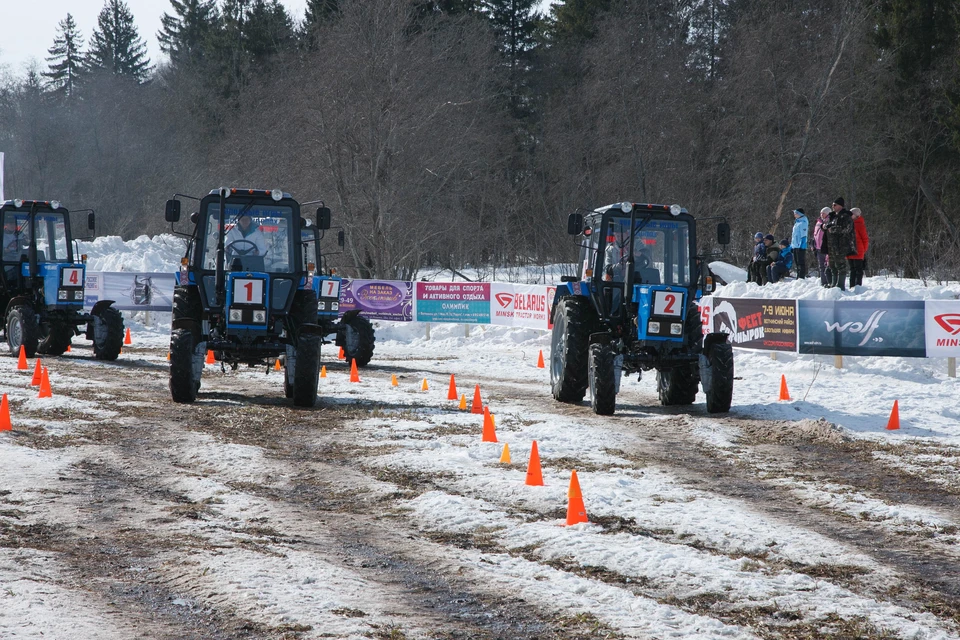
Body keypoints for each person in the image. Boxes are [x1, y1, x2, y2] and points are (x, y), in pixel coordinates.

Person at [824, 197, 855, 290]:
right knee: (832, 265)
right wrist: (825, 226)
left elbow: (847, 229)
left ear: (840, 206)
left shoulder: (845, 216)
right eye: (832, 205)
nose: (833, 206)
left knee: (841, 265)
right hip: (832, 245)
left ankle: (840, 285)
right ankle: (834, 284)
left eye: (835, 205)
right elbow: (828, 226)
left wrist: (833, 229)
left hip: (841, 245)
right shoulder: (833, 216)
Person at [847, 207, 869, 287]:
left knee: (858, 270)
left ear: (856, 215)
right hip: (850, 251)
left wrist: (863, 250)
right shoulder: (848, 224)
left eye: (851, 214)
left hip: (858, 251)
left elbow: (865, 239)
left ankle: (857, 286)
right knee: (852, 269)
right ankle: (852, 285)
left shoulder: (860, 225)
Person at [813, 207, 831, 286]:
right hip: (818, 247)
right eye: (821, 213)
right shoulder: (818, 222)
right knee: (821, 266)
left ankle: (829, 281)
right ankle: (823, 282)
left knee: (827, 265)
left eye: (823, 213)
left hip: (826, 247)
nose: (821, 215)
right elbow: (815, 235)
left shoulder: (829, 222)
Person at [791, 208, 808, 279]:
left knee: (800, 262)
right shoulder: (797, 222)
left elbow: (803, 235)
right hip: (795, 245)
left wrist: (802, 245)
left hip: (800, 246)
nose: (794, 215)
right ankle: (798, 275)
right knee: (797, 262)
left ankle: (801, 276)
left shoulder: (803, 223)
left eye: (795, 213)